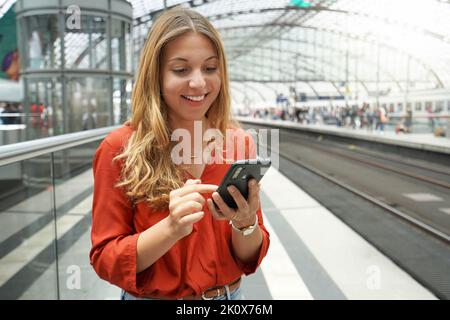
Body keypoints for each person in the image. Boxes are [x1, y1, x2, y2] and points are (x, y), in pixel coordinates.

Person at [89, 7, 270, 300]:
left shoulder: (238, 143)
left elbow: (249, 257)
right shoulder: (120, 148)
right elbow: (105, 257)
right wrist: (171, 228)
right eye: (181, 69)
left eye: (210, 68)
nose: (199, 83)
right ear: (155, 75)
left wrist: (246, 223)